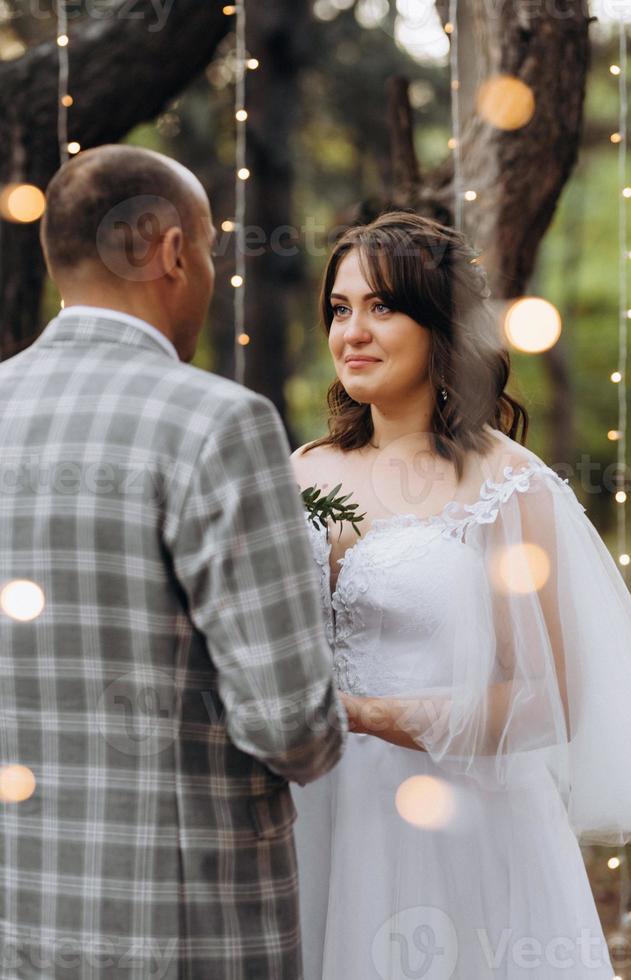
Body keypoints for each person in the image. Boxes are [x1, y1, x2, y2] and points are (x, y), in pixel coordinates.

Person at [0, 144, 347, 979]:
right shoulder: (216, 422)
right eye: (211, 253)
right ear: (171, 253)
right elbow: (290, 724)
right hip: (184, 919)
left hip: (17, 906)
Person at [289, 210, 631, 979]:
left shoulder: (506, 485)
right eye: (340, 309)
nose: (352, 331)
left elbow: (546, 696)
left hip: (460, 822)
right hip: (321, 811)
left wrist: (367, 715)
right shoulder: (300, 472)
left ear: (440, 326)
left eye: (382, 307)